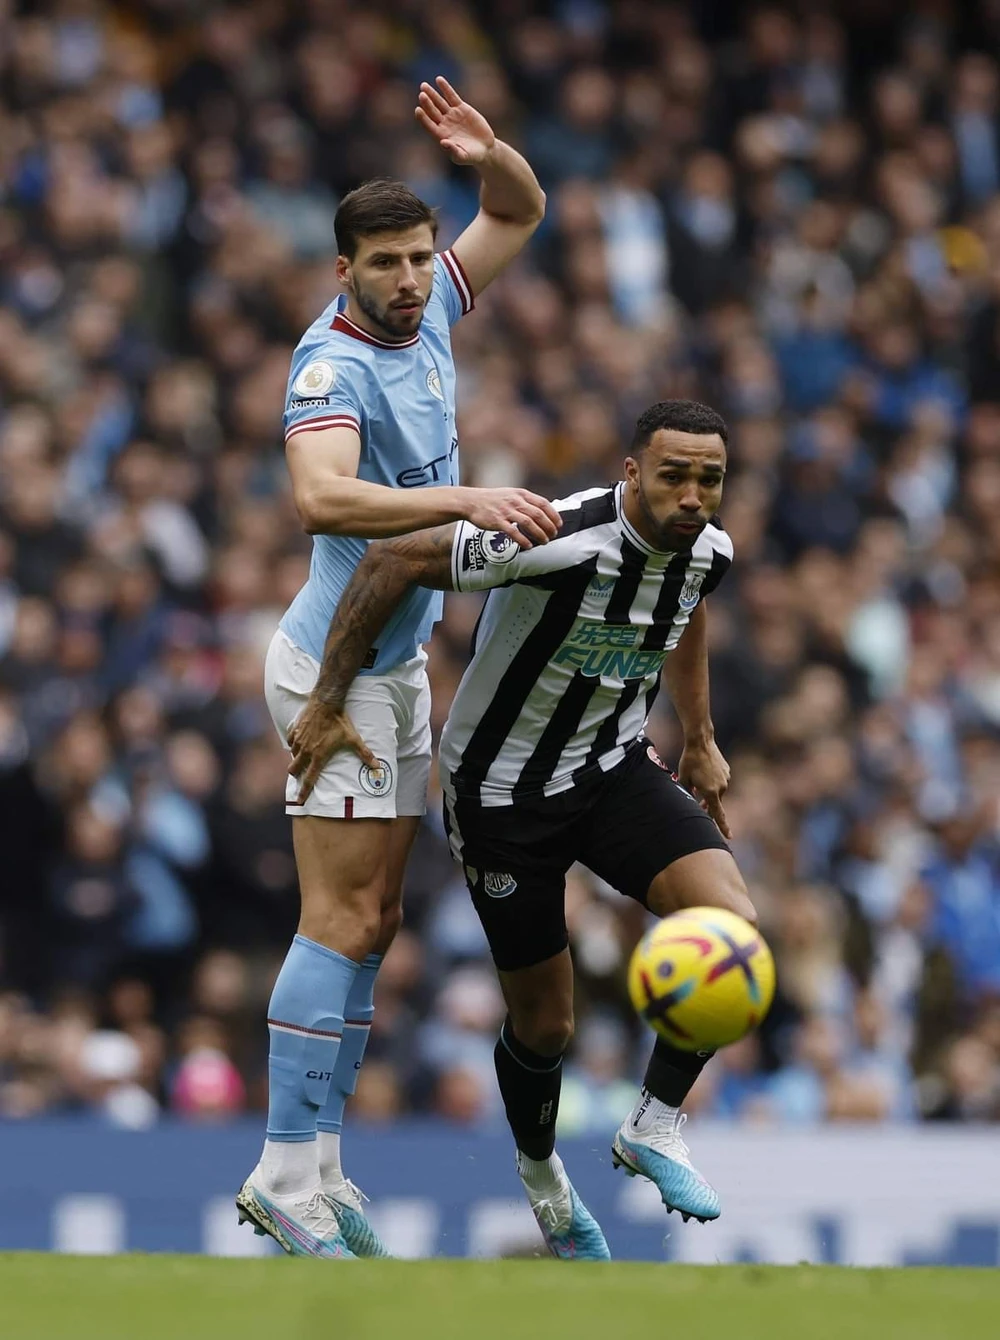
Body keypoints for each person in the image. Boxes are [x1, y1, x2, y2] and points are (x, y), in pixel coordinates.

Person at [293, 400, 759, 1260]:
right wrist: (327, 700)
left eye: (710, 479)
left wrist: (699, 738)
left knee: (732, 925)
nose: (694, 496)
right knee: (547, 1025)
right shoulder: (555, 537)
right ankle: (544, 1178)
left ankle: (654, 1125)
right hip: (502, 796)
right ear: (632, 472)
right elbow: (394, 558)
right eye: (674, 476)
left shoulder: (708, 551)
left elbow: (687, 608)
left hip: (611, 768)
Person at [237, 76, 559, 1260]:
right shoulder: (330, 366)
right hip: (334, 669)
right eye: (387, 263)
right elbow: (320, 498)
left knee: (372, 921)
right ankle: (281, 1171)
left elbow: (519, 211)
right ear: (345, 271)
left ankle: (324, 1170)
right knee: (337, 915)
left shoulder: (426, 317)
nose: (414, 278)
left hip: (393, 666)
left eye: (422, 257)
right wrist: (464, 496)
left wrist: (488, 150)